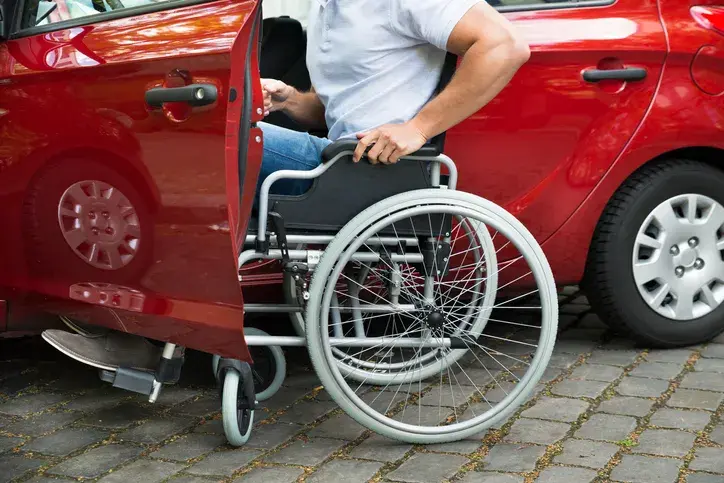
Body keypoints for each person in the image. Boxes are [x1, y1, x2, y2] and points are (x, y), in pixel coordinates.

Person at [42, 0, 530, 371]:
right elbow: (338, 107)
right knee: (197, 144)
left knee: (205, 135)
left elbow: (506, 46)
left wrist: (417, 129)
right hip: (338, 158)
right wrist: (293, 99)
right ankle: (151, 323)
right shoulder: (332, 9)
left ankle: (148, 333)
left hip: (369, 172)